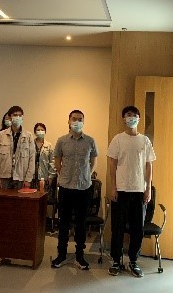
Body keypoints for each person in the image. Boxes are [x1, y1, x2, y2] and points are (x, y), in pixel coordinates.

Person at [107, 105, 156, 278]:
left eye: (135, 115)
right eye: (129, 115)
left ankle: (133, 261)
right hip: (121, 189)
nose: (132, 117)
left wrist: (148, 188)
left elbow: (149, 166)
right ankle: (116, 261)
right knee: (117, 228)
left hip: (139, 190)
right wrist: (113, 186)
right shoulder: (118, 139)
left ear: (139, 119)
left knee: (137, 229)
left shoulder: (145, 141)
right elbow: (112, 164)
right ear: (124, 119)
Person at [51, 109, 98, 270]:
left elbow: (93, 161)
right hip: (66, 187)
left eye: (80, 119)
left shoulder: (90, 141)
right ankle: (61, 255)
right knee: (63, 223)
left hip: (83, 188)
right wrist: (63, 174)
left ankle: (79, 256)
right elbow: (57, 161)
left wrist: (87, 175)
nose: (77, 121)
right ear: (69, 121)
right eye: (74, 119)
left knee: (80, 224)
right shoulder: (62, 141)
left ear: (83, 122)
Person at [0, 105, 35, 189]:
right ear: (10, 117)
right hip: (4, 177)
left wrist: (28, 179)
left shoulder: (28, 136)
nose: (17, 117)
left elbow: (32, 159)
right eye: (15, 115)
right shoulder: (1, 135)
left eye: (20, 115)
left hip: (21, 178)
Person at [33, 122, 56, 190]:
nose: (40, 131)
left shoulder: (49, 145)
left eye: (42, 130)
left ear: (45, 132)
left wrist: (51, 176)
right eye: (38, 130)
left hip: (44, 176)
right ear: (35, 132)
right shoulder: (30, 144)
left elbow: (52, 162)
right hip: (32, 177)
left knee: (43, 194)